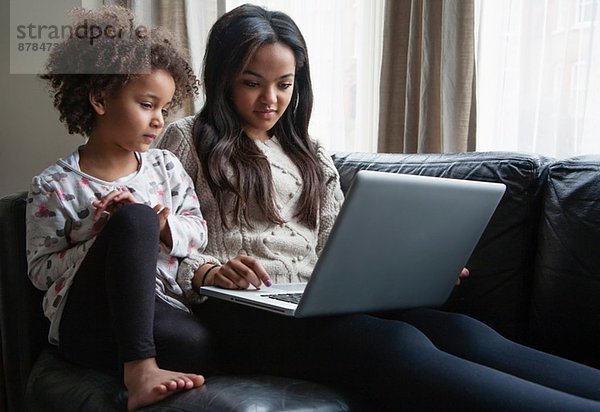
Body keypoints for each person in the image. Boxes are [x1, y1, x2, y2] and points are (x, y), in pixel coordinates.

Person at [156, 3, 600, 411]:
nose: (270, 99)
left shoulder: (310, 153)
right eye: (252, 83)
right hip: (240, 312)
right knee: (395, 344)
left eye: (284, 84)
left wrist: (408, 269)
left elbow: (338, 247)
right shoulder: (186, 140)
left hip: (313, 303)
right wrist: (208, 271)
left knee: (463, 331)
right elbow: (156, 244)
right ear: (223, 77)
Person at [26, 6, 213, 411]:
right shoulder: (55, 185)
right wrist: (98, 233)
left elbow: (198, 231)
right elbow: (41, 273)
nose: (159, 120)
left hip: (151, 311)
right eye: (147, 105)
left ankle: (141, 355)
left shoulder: (166, 167)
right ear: (99, 99)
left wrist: (161, 230)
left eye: (164, 108)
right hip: (87, 322)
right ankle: (141, 368)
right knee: (134, 216)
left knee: (194, 342)